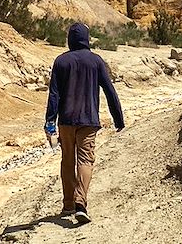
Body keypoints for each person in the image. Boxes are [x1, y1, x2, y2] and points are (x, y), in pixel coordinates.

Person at [44, 22, 125, 223]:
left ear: (70, 39)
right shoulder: (96, 61)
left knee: (67, 161)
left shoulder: (61, 61)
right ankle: (81, 203)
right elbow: (109, 91)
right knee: (85, 160)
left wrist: (50, 122)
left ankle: (68, 204)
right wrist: (118, 119)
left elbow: (54, 94)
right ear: (87, 39)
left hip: (66, 121)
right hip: (88, 120)